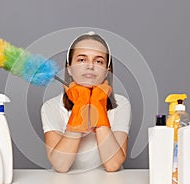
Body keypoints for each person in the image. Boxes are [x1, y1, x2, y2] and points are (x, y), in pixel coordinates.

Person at [41, 31, 131, 173]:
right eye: (82, 60)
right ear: (69, 68)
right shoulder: (50, 107)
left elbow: (113, 165)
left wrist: (98, 105)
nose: (90, 66)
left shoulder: (121, 104)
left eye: (98, 61)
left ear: (107, 71)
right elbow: (61, 165)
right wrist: (80, 105)